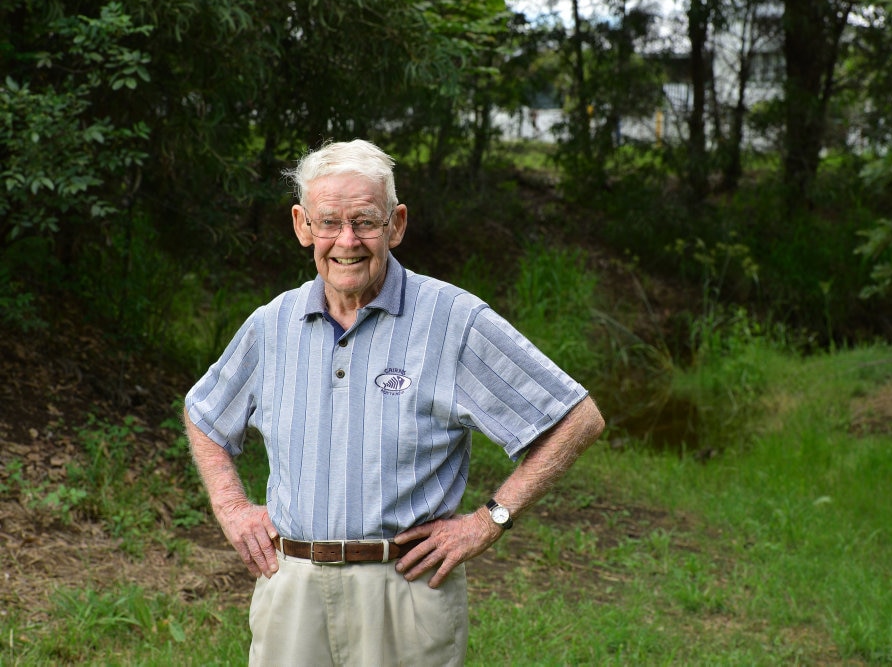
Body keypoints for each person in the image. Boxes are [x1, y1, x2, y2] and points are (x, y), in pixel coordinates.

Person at [184, 139, 605, 666]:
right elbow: (204, 414)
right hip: (290, 589)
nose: (347, 241)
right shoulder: (272, 325)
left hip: (404, 591)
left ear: (396, 224)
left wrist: (489, 520)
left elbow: (576, 418)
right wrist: (231, 509)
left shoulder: (453, 319)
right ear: (302, 226)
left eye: (365, 221)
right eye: (329, 222)